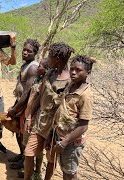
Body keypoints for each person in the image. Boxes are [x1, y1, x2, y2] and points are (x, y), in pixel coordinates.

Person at [23, 42, 75, 180]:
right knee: (29, 152)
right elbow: (39, 98)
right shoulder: (49, 74)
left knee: (51, 159)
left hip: (55, 127)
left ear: (57, 59)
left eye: (50, 56)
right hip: (40, 122)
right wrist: (29, 117)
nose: (48, 59)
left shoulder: (70, 82)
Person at [46, 55, 94, 180]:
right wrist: (52, 133)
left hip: (72, 142)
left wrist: (64, 143)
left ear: (87, 72)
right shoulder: (70, 86)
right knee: (65, 170)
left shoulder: (85, 95)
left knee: (70, 173)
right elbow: (60, 112)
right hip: (61, 135)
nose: (73, 72)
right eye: (72, 69)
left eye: (78, 70)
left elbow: (83, 125)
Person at [7, 39, 40, 170]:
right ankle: (22, 155)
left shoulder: (33, 67)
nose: (25, 53)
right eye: (24, 50)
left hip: (28, 106)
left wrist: (15, 109)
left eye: (29, 51)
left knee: (24, 133)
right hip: (21, 103)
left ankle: (26, 162)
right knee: (18, 132)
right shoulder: (25, 65)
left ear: (35, 53)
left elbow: (27, 93)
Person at [17, 59, 48, 178]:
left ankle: (37, 172)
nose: (37, 67)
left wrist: (30, 117)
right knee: (26, 143)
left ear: (46, 70)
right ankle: (28, 170)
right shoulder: (36, 80)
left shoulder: (45, 83)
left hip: (37, 119)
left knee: (37, 149)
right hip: (29, 116)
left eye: (40, 66)